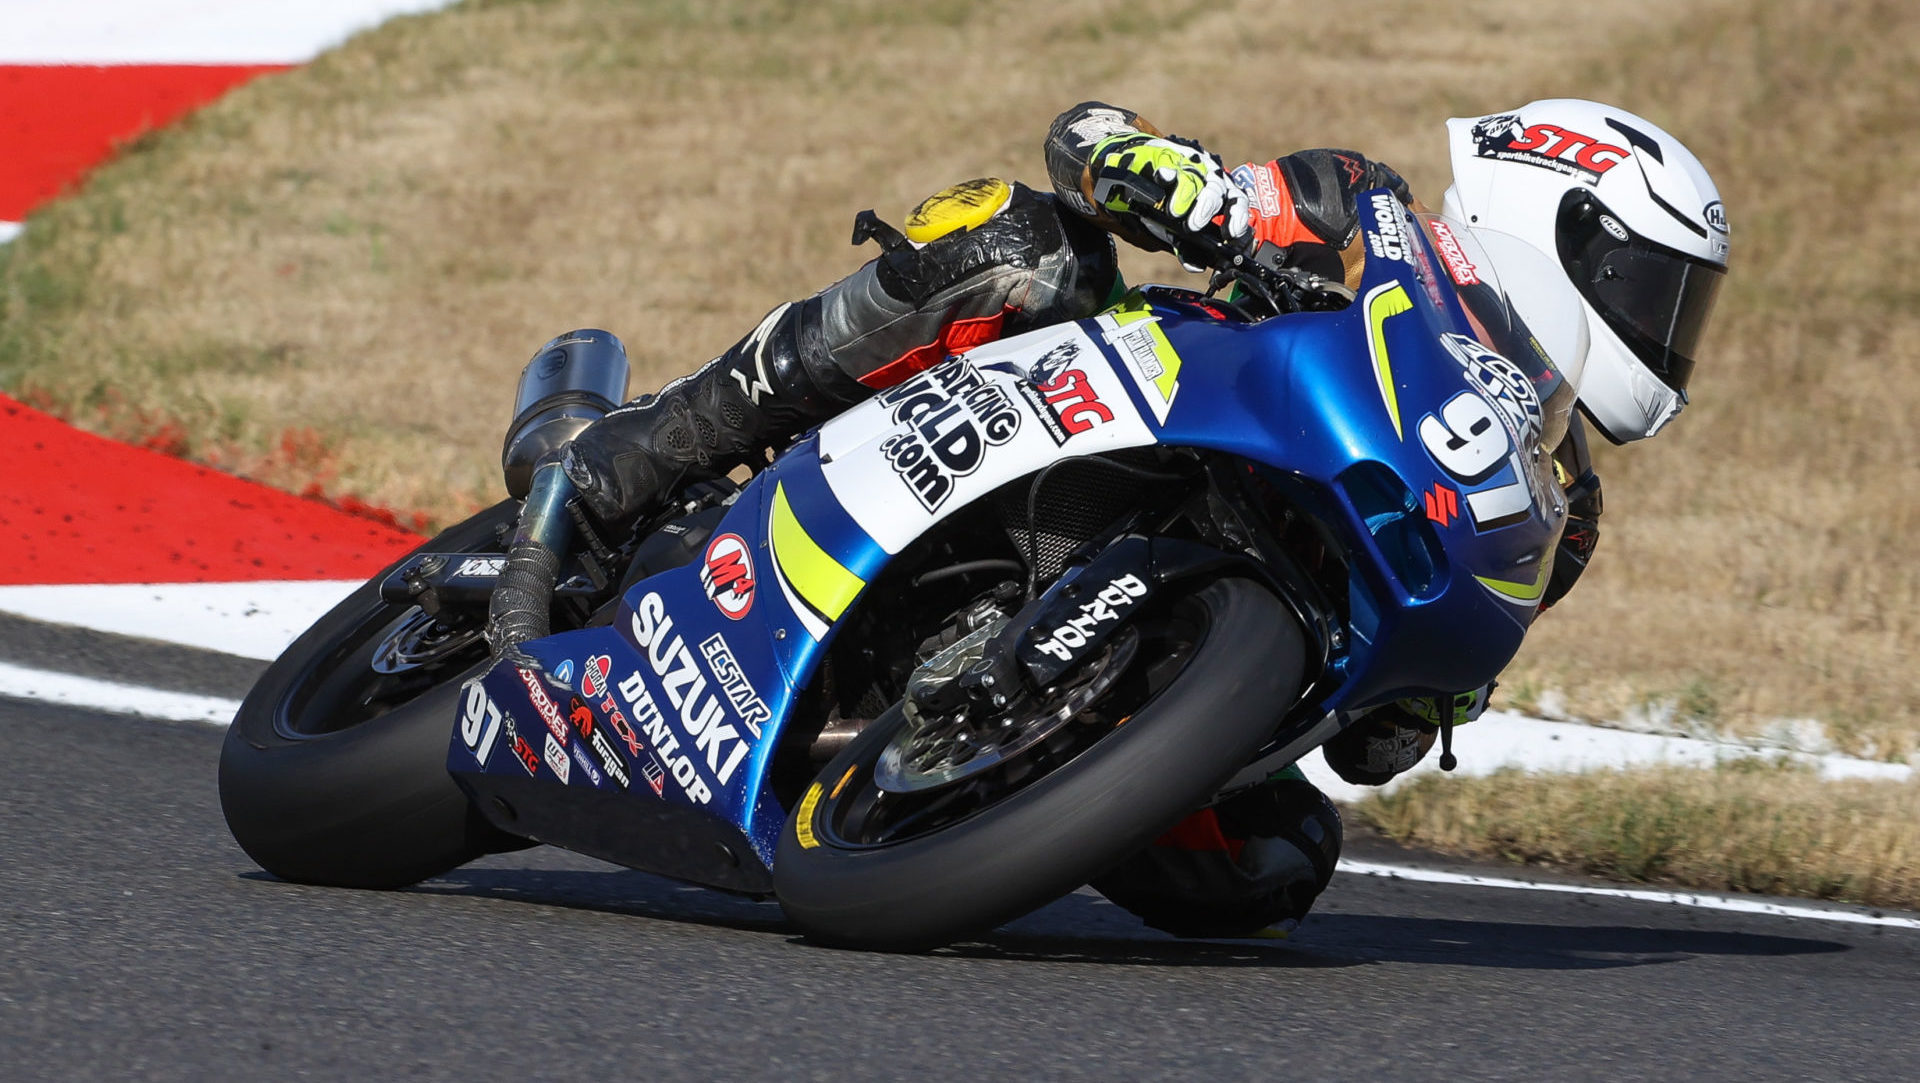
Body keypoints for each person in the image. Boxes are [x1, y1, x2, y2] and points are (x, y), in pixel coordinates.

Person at [557, 98, 1729, 937]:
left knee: (1280, 869)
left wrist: (1420, 702)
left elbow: (1385, 743)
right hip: (1108, 419)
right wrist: (1159, 175)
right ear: (1564, 219)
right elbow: (1099, 144)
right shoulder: (1369, 211)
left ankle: (977, 798)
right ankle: (663, 443)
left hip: (1211, 650)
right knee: (1013, 240)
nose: (1669, 329)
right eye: (1661, 287)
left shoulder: (1554, 508)